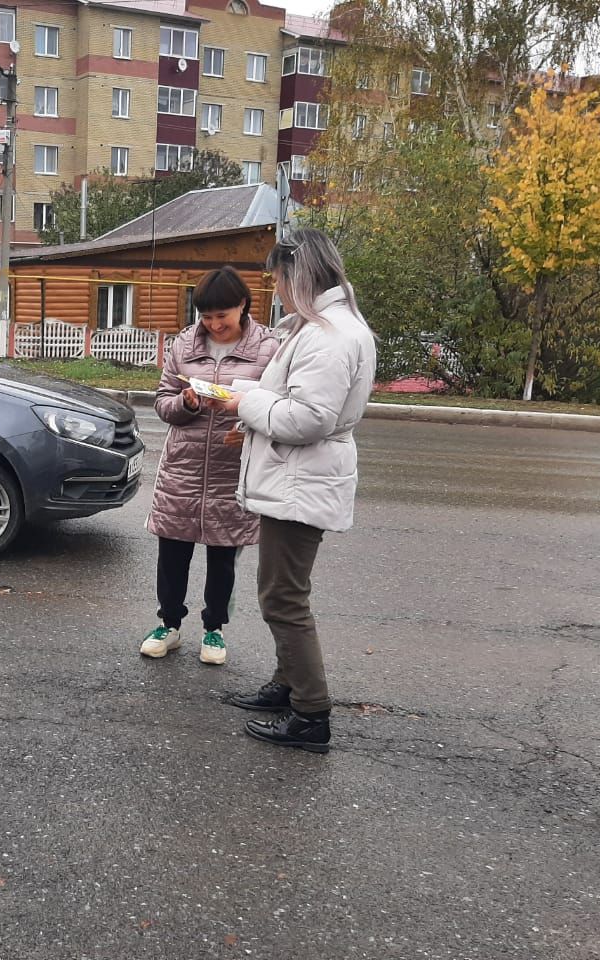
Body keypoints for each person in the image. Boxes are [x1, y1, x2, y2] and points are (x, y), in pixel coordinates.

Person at [213, 229, 377, 754]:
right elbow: (289, 398)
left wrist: (241, 406)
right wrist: (241, 395)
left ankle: (310, 713)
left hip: (299, 479)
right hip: (297, 477)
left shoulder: (329, 335)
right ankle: (288, 687)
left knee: (283, 598)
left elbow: (308, 417)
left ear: (298, 274)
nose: (276, 288)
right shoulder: (322, 328)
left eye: (279, 278)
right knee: (283, 591)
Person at [141, 267, 278, 665]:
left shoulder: (268, 349)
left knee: (222, 558)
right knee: (173, 554)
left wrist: (250, 425)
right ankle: (168, 624)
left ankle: (214, 630)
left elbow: (275, 405)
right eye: (207, 317)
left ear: (243, 306)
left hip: (231, 470)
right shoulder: (183, 346)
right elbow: (163, 401)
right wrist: (184, 404)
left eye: (223, 316)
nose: (215, 325)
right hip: (183, 467)